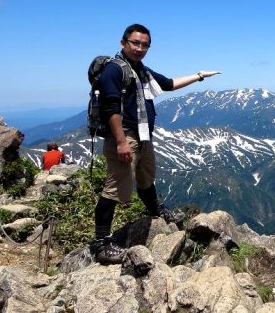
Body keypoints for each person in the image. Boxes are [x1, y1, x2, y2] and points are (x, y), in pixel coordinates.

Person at [90, 23, 220, 264]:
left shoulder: (140, 70)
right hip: (126, 135)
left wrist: (199, 76)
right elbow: (111, 107)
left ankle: (155, 212)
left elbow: (169, 83)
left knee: (146, 176)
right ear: (123, 43)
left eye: (145, 45)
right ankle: (101, 243)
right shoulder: (114, 70)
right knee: (115, 188)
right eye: (135, 43)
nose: (140, 48)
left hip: (142, 134)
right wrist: (120, 142)